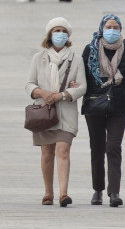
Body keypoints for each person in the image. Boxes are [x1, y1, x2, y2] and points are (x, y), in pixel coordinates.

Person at [25, 18, 86, 207]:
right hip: (44, 112)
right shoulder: (38, 57)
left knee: (63, 148)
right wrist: (42, 93)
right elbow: (29, 84)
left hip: (66, 112)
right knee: (46, 151)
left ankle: (64, 193)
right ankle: (48, 192)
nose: (60, 34)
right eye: (56, 30)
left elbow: (82, 86)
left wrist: (63, 94)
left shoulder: (76, 59)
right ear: (49, 35)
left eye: (63, 31)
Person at [81, 14, 125, 208]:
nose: (112, 30)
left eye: (115, 27)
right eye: (108, 26)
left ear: (120, 30)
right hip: (95, 105)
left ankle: (114, 192)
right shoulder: (90, 50)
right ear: (101, 29)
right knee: (97, 148)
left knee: (113, 147)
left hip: (118, 106)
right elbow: (83, 77)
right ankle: (98, 189)